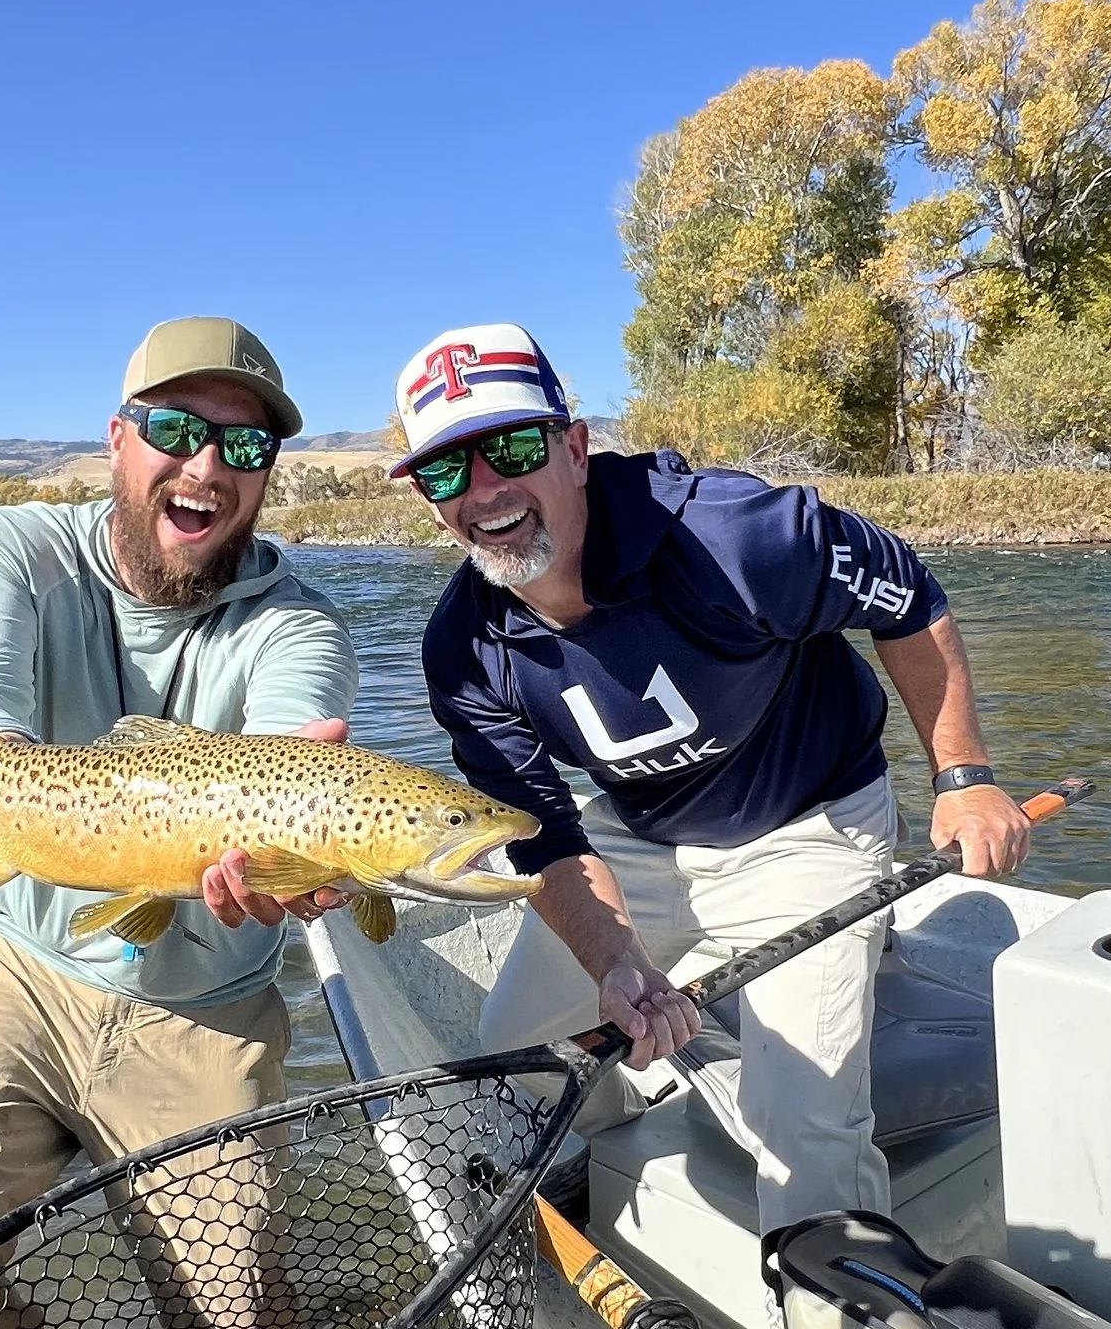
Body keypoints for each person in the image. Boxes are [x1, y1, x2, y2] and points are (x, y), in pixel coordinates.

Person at [395, 322, 1029, 1238]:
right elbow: (545, 836)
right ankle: (597, 1180)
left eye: (513, 447)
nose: (486, 491)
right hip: (635, 835)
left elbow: (907, 593)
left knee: (802, 1122)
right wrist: (615, 965)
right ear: (425, 496)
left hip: (807, 823)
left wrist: (963, 774)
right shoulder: (462, 650)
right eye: (448, 470)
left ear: (575, 448)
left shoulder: (733, 536)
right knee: (516, 1057)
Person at [0, 315, 359, 1320]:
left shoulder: (299, 625)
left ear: (267, 470)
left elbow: (294, 748)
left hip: (205, 1007)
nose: (206, 465)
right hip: (11, 969)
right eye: (175, 427)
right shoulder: (3, 549)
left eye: (243, 445)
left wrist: (301, 850)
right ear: (116, 439)